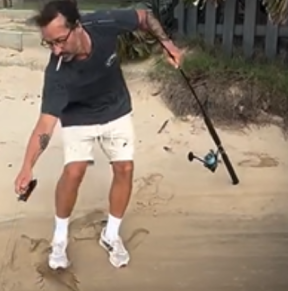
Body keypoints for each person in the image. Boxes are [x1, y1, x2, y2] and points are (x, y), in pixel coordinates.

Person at [14, 1, 182, 269]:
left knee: (125, 168)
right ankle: (59, 240)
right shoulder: (57, 72)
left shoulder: (103, 24)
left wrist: (168, 45)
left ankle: (111, 235)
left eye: (60, 40)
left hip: (116, 107)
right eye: (49, 44)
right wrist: (27, 167)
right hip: (78, 115)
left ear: (77, 27)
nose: (56, 50)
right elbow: (45, 126)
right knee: (74, 171)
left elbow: (144, 17)